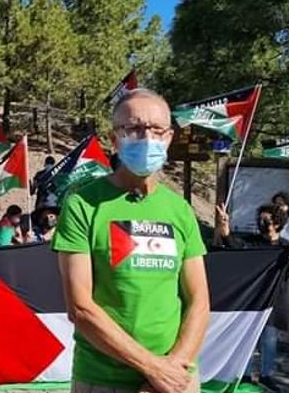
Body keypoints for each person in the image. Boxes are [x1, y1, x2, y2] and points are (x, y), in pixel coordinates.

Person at [52, 88, 209, 393]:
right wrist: (152, 367)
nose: (146, 137)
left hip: (177, 380)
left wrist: (171, 371)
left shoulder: (180, 210)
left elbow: (199, 301)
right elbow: (80, 308)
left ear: (169, 138)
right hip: (103, 380)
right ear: (115, 139)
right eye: (133, 128)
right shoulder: (83, 205)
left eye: (155, 129)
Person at [214, 203, 289, 392]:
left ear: (278, 223)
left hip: (273, 302)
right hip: (253, 300)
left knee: (269, 340)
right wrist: (225, 230)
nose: (262, 223)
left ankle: (267, 375)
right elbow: (235, 247)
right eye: (261, 219)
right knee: (247, 339)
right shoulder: (253, 242)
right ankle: (245, 374)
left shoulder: (285, 247)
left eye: (267, 220)